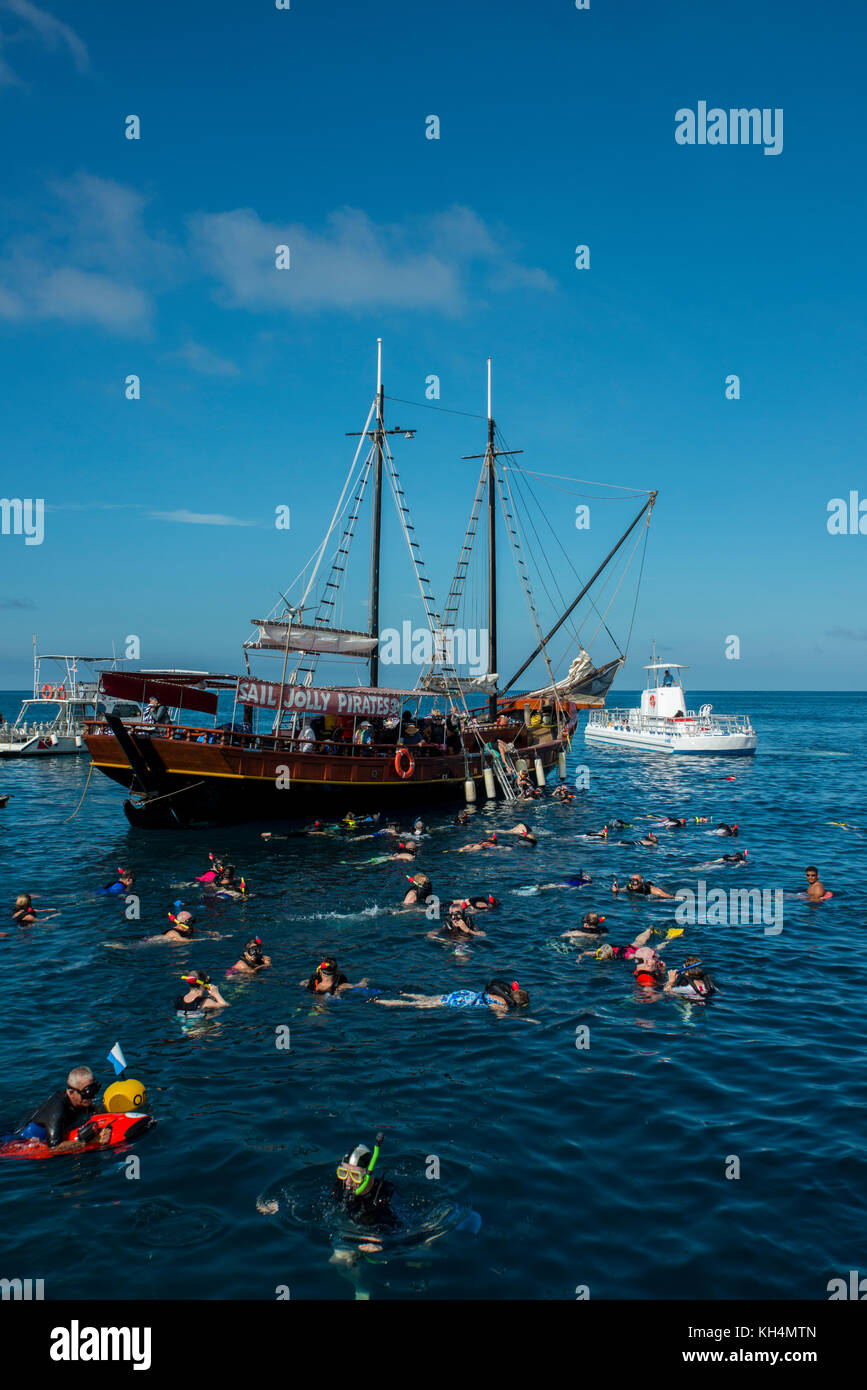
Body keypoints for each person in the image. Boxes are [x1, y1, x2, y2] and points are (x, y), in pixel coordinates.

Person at [12, 1067, 109, 1152]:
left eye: (95, 1090)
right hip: (19, 1142)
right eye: (87, 1093)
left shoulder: (81, 1101)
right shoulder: (56, 1111)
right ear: (71, 1092)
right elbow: (54, 1148)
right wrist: (90, 1142)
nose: (92, 1097)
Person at [331, 1135, 397, 1253]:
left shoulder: (385, 1196)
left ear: (368, 1175)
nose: (348, 1182)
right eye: (343, 1173)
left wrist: (382, 1243)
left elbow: (403, 1229)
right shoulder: (340, 1185)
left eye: (355, 1175)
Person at [377, 978, 530, 1012]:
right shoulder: (504, 1005)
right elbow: (494, 1010)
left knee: (430, 998)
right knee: (418, 1006)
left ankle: (405, 993)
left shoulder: (503, 994)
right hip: (461, 1001)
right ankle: (380, 1002)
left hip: (465, 993)